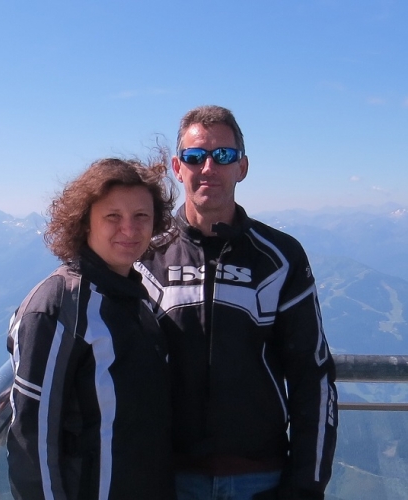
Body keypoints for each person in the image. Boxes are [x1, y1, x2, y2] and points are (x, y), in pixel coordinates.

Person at [135, 105, 338, 500]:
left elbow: (312, 375)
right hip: (165, 478)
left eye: (223, 155)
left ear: (242, 167)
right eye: (195, 156)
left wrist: (305, 486)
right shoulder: (145, 255)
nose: (208, 167)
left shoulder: (280, 257)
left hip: (262, 478)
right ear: (178, 168)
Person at [6, 153, 178, 500]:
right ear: (85, 222)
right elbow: (32, 442)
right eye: (113, 216)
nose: (129, 229)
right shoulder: (58, 307)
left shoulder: (135, 298)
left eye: (141, 216)